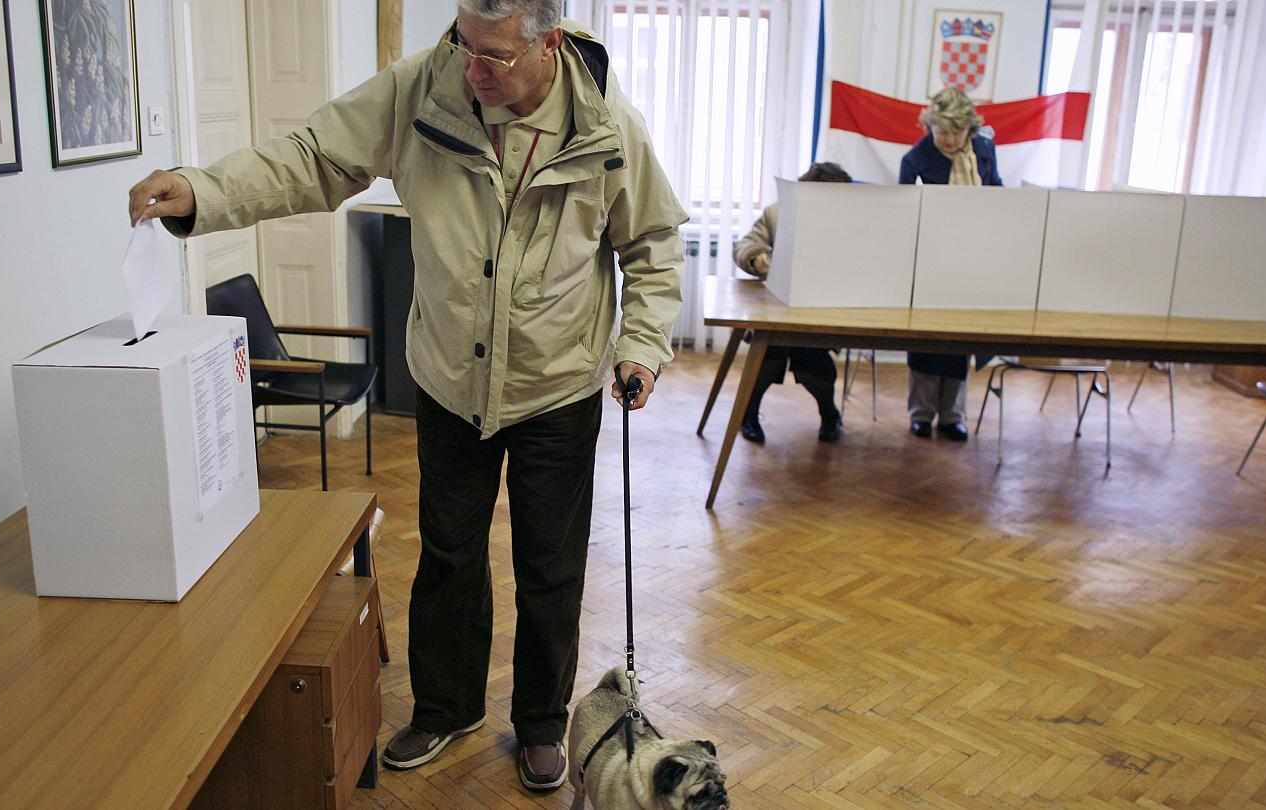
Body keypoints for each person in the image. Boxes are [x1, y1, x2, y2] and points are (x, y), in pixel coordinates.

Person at [127, 1, 685, 793]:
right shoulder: (422, 91)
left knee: (551, 567)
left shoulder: (605, 127)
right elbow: (313, 157)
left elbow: (654, 247)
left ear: (547, 44)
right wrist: (201, 191)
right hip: (451, 377)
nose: (470, 67)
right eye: (461, 43)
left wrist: (641, 346)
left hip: (556, 384)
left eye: (491, 54)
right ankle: (447, 706)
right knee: (449, 555)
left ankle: (538, 722)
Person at [898, 86, 1002, 441]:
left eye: (956, 132)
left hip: (974, 258)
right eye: (941, 131)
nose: (948, 139)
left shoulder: (985, 152)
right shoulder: (916, 159)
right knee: (927, 341)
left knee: (960, 339)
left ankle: (953, 416)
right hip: (928, 260)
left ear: (970, 129)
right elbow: (903, 215)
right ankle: (921, 414)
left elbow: (998, 194)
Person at [730, 162, 852, 443]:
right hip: (779, 306)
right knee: (768, 356)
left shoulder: (850, 219)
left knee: (813, 362)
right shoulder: (779, 212)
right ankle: (749, 414)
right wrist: (757, 256)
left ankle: (828, 413)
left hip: (823, 311)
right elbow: (744, 246)